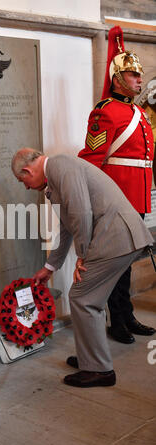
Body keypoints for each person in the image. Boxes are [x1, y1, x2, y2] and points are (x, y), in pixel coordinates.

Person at [12, 148, 154, 388]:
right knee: (88, 298)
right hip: (118, 237)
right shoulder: (57, 174)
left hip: (116, 237)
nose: (25, 186)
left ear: (27, 170)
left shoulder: (59, 165)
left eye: (22, 181)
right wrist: (50, 267)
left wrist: (83, 256)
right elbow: (69, 225)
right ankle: (92, 359)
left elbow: (81, 213)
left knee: (83, 298)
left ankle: (99, 370)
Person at [78, 26, 155, 344]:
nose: (139, 79)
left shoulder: (139, 112)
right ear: (117, 78)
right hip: (115, 200)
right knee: (115, 266)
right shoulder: (105, 113)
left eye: (138, 75)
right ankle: (116, 321)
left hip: (137, 198)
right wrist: (95, 203)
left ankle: (126, 315)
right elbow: (92, 160)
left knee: (128, 262)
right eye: (132, 75)